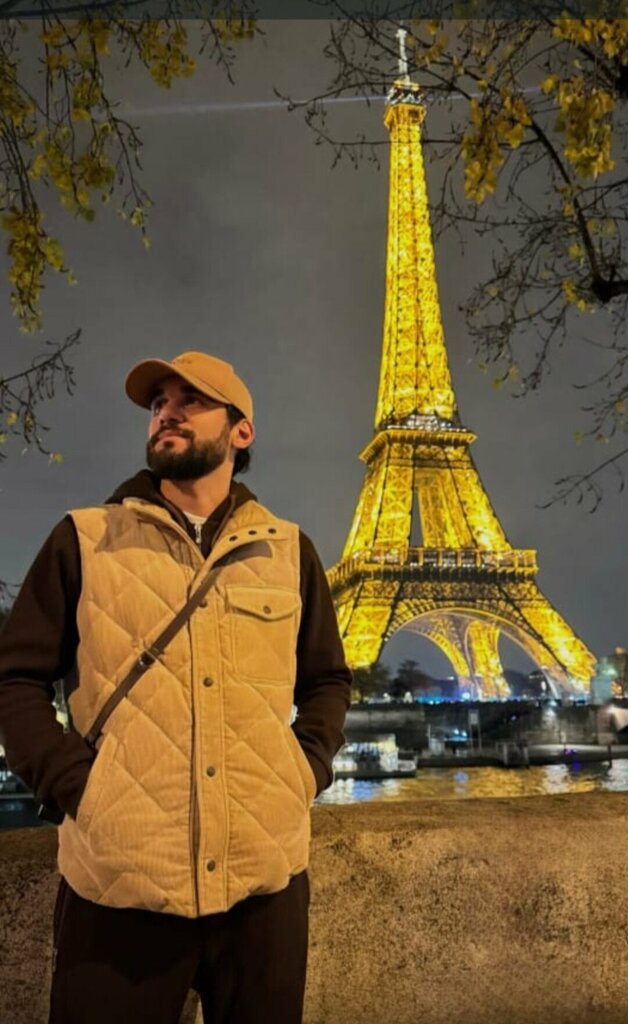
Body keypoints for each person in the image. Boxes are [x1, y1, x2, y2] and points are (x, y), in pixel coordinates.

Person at [0, 350, 351, 1024]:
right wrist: (78, 787)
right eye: (160, 401)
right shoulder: (85, 539)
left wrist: (302, 771)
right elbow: (14, 679)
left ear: (241, 430)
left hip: (263, 890)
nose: (168, 411)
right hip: (120, 887)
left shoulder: (290, 551)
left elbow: (328, 679)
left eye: (192, 400)